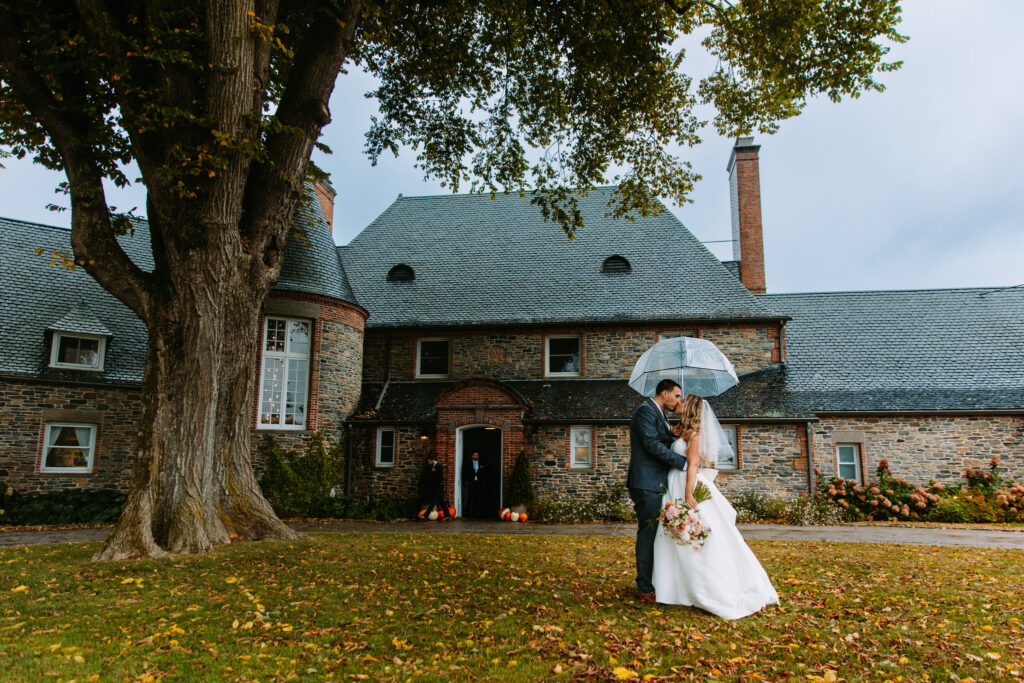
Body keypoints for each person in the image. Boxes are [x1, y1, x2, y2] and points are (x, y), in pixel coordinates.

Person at [652, 394, 779, 619]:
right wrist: (674, 434)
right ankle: (676, 587)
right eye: (677, 399)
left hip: (685, 484)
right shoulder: (686, 432)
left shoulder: (696, 436)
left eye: (682, 401)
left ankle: (705, 588)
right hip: (674, 483)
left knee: (693, 533)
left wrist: (688, 493)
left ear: (689, 408)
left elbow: (692, 465)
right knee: (675, 535)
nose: (678, 402)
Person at [627, 378, 688, 603]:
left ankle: (654, 580)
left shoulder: (658, 414)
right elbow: (651, 445)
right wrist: (683, 463)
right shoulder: (645, 411)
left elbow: (658, 437)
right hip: (646, 483)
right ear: (664, 393)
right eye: (676, 396)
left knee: (655, 534)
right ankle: (644, 588)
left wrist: (671, 433)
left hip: (655, 483)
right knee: (648, 533)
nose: (678, 400)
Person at [462, 451, 485, 518]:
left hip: (478, 483)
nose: (476, 456)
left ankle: (477, 513)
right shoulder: (468, 463)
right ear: (472, 456)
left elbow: (483, 473)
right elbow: (465, 473)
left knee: (478, 498)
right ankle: (468, 513)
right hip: (471, 482)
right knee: (470, 497)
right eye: (474, 455)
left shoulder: (481, 463)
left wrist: (483, 481)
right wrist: (465, 482)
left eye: (477, 455)